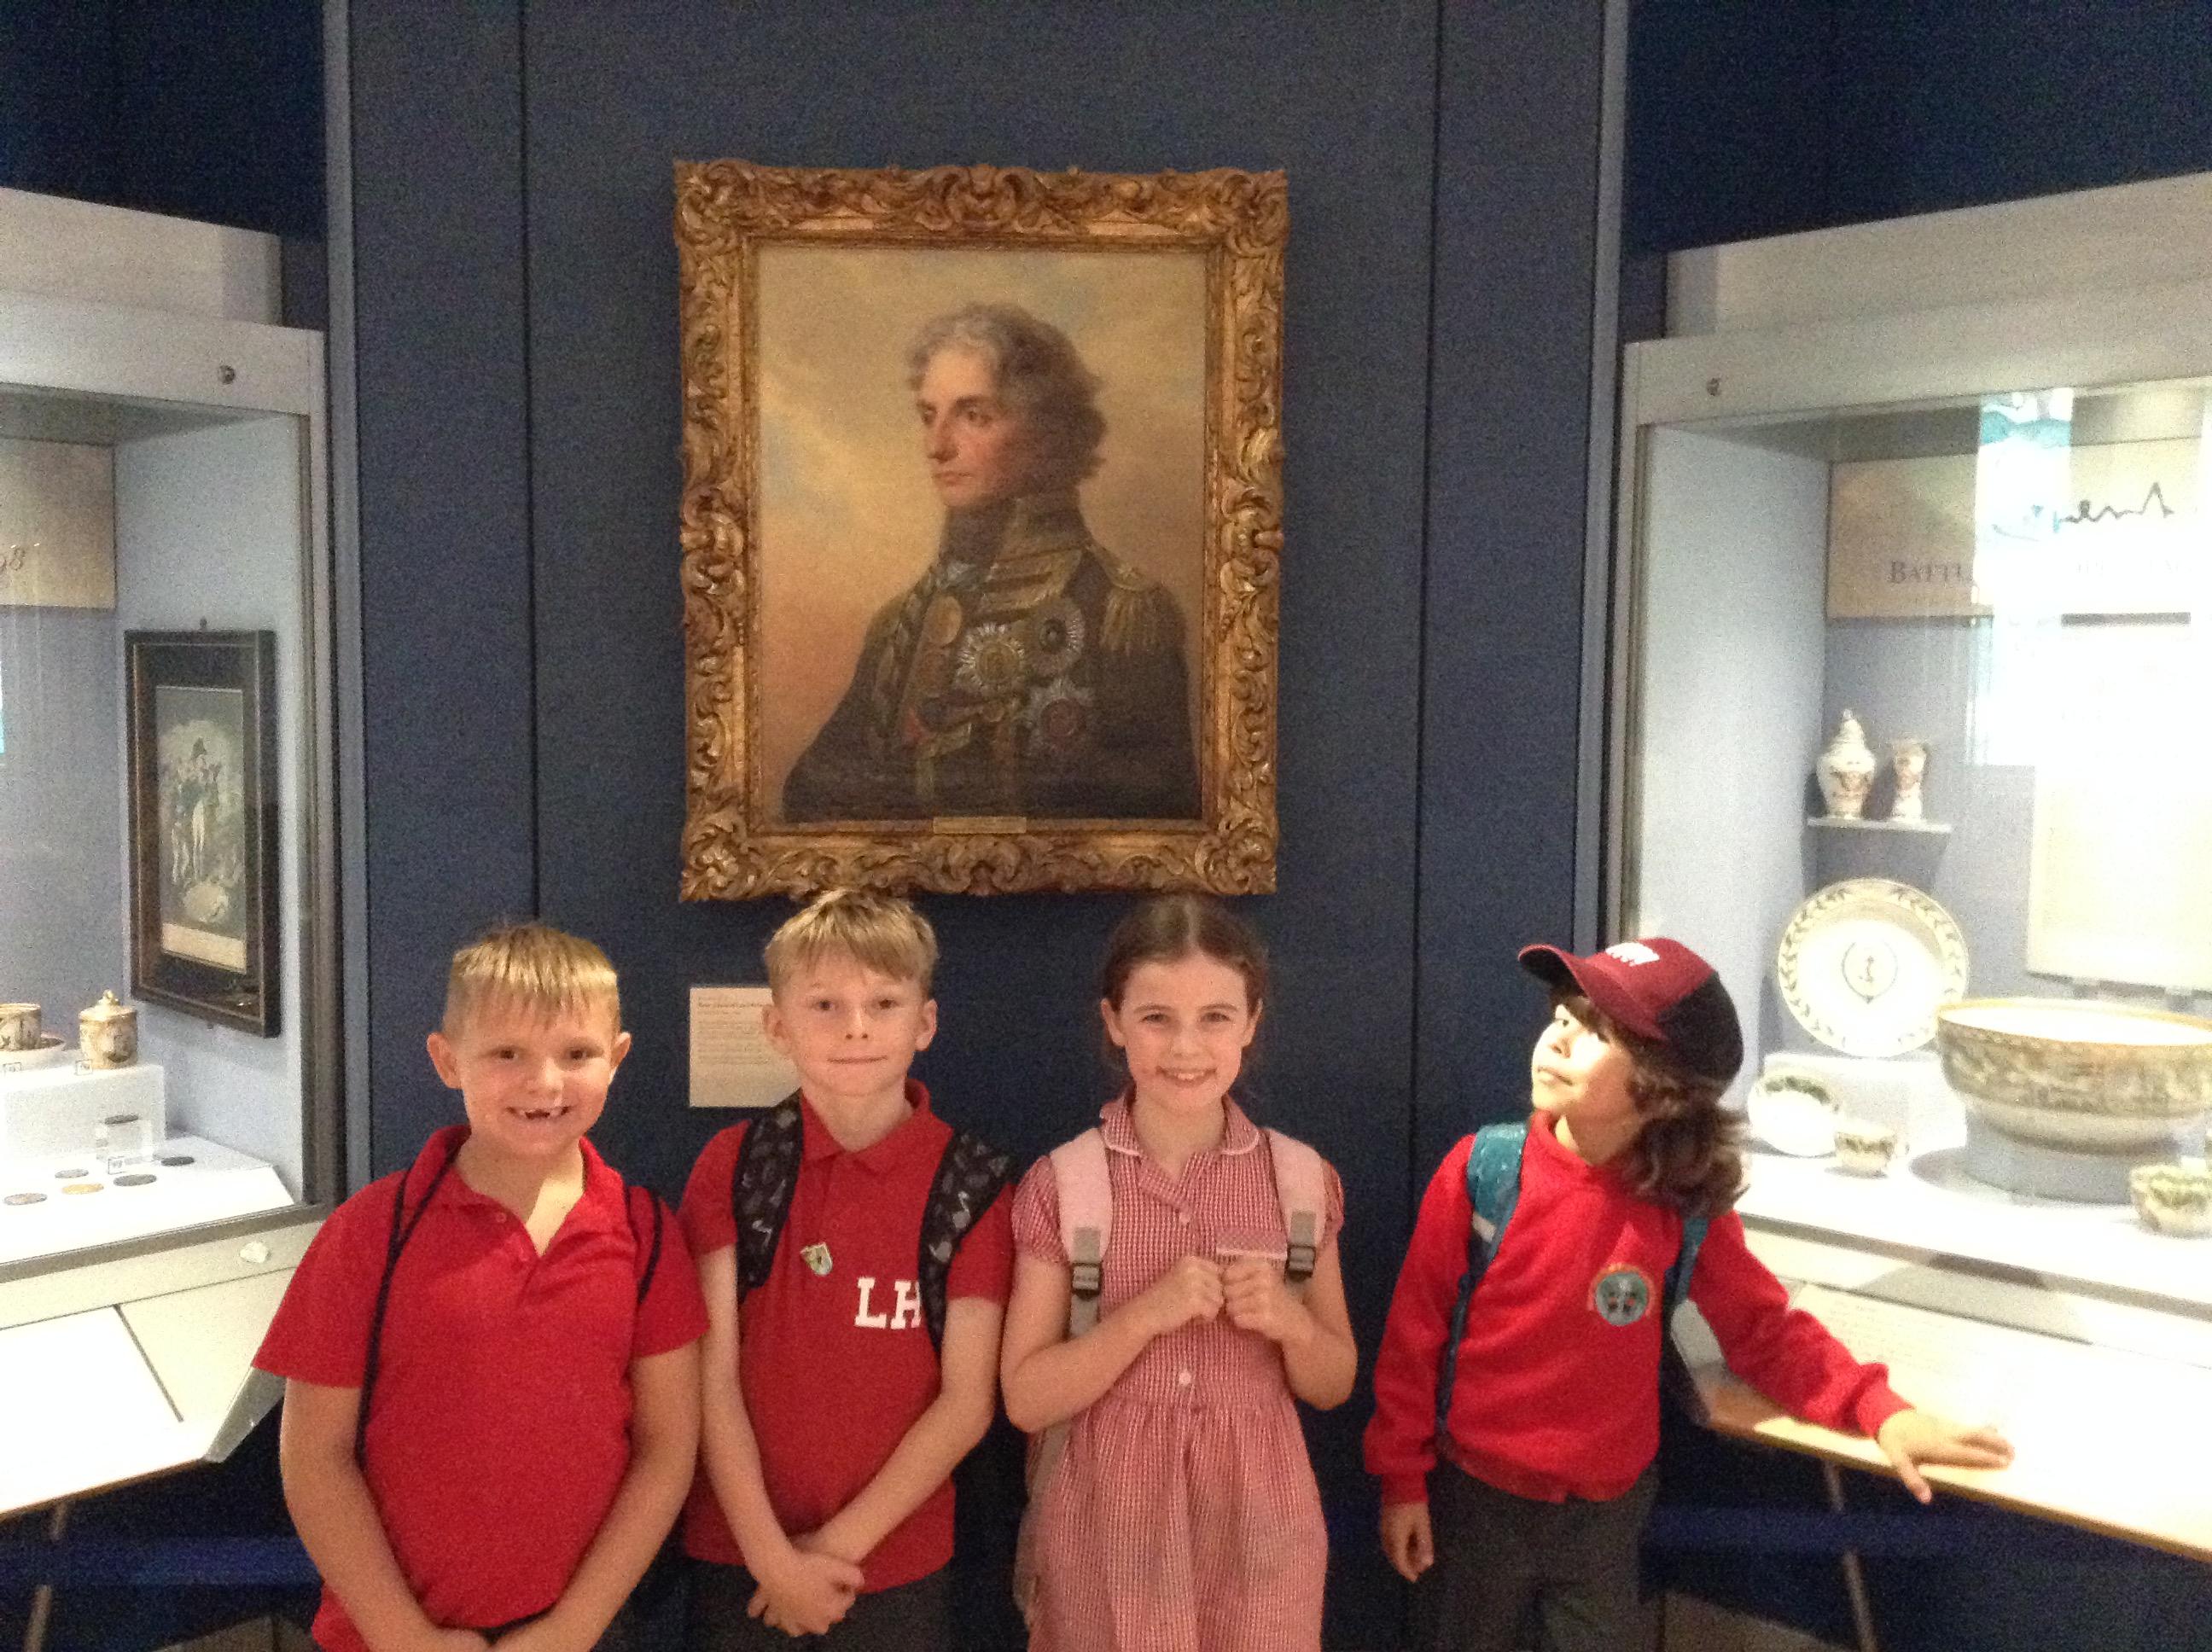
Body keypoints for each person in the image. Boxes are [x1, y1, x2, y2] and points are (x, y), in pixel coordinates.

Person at [1365, 937, 2015, 1652]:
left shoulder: (1681, 1205)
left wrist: (1879, 1410)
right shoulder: (1485, 1171)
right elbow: (1414, 1338)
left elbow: (1764, 1331)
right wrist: (1403, 1481)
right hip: (1475, 1502)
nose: (1558, 1037)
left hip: (1606, 1514)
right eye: (1562, 1016)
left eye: (1597, 1031)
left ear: (1662, 1085)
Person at [257, 922, 707, 1652]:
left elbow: (667, 1449)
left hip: (585, 1633)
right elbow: (313, 1457)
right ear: (448, 1060)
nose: (545, 1082)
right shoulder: (370, 1234)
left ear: (617, 1059)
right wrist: (404, 1638)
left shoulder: (647, 1236)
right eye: (507, 1053)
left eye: (577, 1054)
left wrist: (573, 1628)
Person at [1000, 895, 1359, 1652]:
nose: (1186, 1047)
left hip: (1262, 1533)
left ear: (1252, 1022)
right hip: (1106, 1530)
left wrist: (1291, 1323)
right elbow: (1026, 1398)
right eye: (1157, 1018)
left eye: (1215, 1018)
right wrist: (1139, 1318)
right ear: (1114, 1022)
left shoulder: (1300, 1182)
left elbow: (1334, 1382)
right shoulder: (1066, 1184)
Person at [678, 889, 1014, 1649]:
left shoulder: (972, 1183)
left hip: (893, 1564)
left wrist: (829, 1556)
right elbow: (710, 1380)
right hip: (740, 1558)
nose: (856, 1026)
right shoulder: (734, 1166)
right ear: (777, 1026)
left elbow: (966, 1403)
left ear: (924, 1023)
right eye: (824, 1004)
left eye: (884, 1003)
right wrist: (774, 1560)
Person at [780, 302, 1199, 823]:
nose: (937, 447)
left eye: (973, 416)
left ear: (1045, 432)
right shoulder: (896, 627)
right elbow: (809, 795)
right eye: (929, 416)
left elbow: (1159, 813)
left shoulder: (1123, 611)